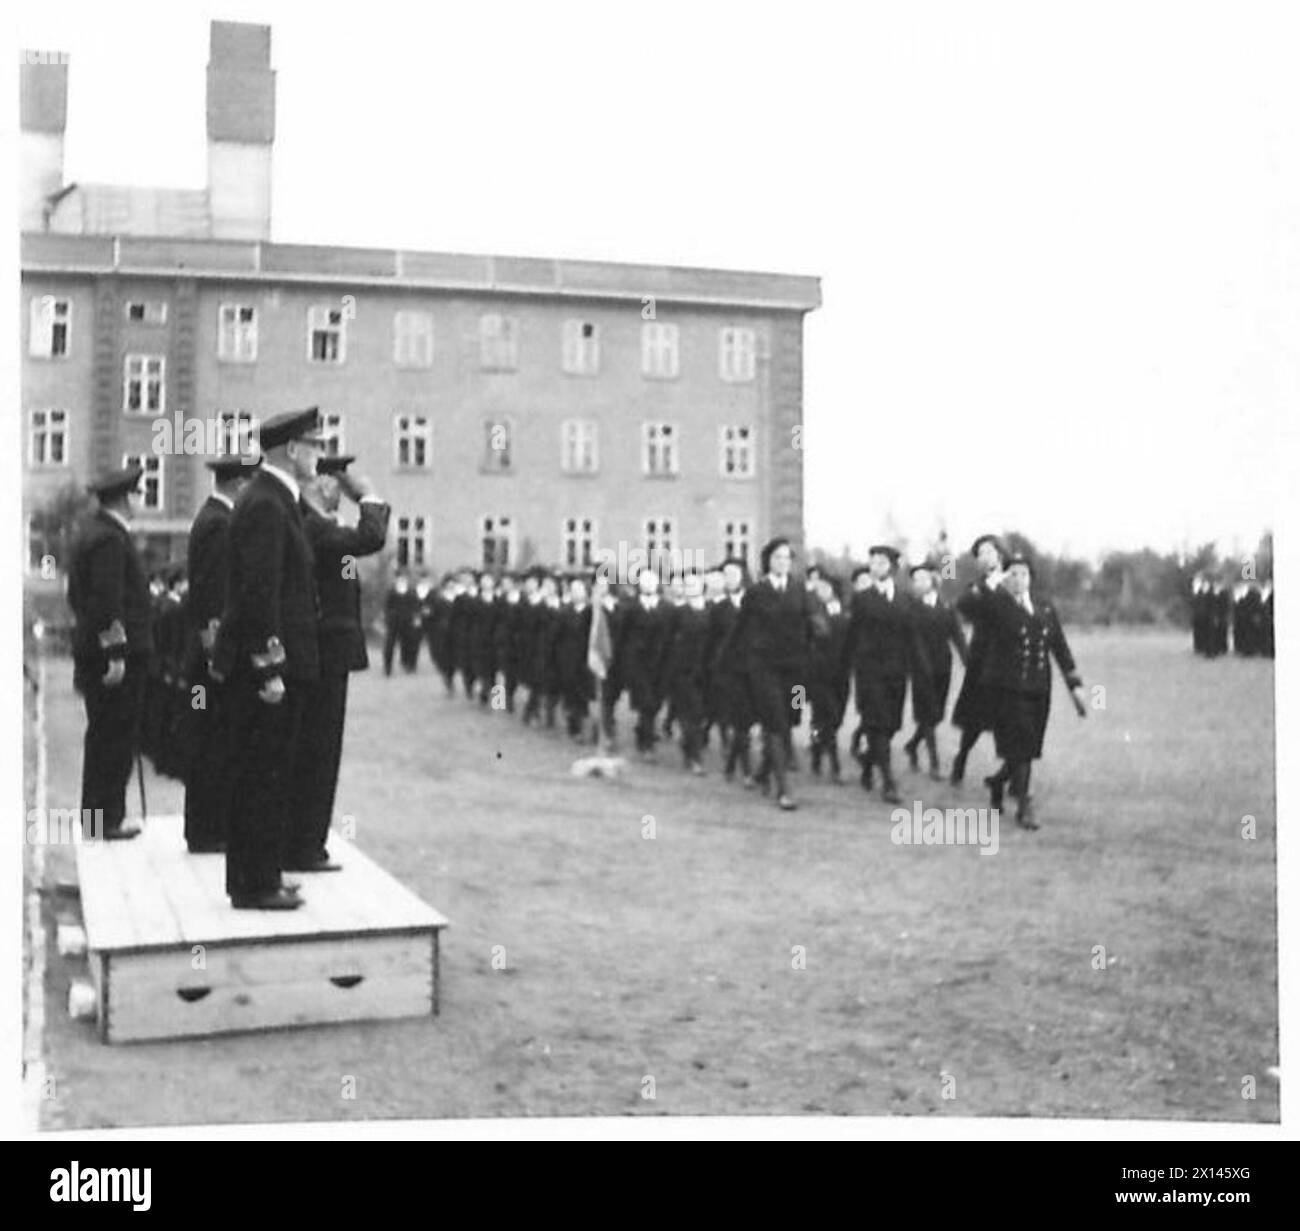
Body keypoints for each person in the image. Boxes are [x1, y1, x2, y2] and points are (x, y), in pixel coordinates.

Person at [211, 407, 326, 910]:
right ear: (293, 450)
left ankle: (262, 873)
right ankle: (255, 883)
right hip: (269, 670)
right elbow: (260, 596)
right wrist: (269, 666)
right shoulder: (267, 504)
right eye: (314, 444)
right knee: (262, 773)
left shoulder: (273, 499)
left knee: (269, 771)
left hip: (278, 665)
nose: (320, 453)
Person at [288, 454, 390, 872]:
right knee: (318, 751)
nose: (338, 490)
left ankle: (307, 841)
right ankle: (304, 845)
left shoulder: (318, 524)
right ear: (318, 487)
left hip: (327, 646)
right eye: (332, 482)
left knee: (318, 750)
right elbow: (370, 537)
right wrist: (366, 494)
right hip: (324, 648)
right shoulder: (314, 526)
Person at [959, 554, 1087, 830]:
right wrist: (989, 582)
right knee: (1020, 744)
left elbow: (1060, 647)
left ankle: (997, 782)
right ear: (1005, 577)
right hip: (1006, 687)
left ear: (1031, 578)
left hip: (1038, 686)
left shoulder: (1044, 607)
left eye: (1023, 574)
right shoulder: (995, 604)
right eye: (1013, 574)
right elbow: (965, 606)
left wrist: (1075, 686)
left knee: (1027, 747)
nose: (1018, 580)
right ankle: (1025, 805)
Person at [67, 463, 155, 841]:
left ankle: (97, 820)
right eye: (137, 493)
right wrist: (116, 652)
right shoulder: (110, 540)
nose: (141, 499)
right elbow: (108, 602)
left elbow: (78, 598)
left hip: (99, 653)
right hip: (116, 659)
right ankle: (108, 819)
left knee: (103, 735)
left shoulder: (94, 533)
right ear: (124, 497)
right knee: (114, 737)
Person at [182, 456, 256, 853]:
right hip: (211, 655)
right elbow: (212, 595)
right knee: (213, 740)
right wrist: (217, 652)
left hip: (208, 652)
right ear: (240, 484)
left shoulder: (211, 517)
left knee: (210, 738)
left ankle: (206, 827)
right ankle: (208, 830)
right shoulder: (219, 524)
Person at [731, 537, 814, 810]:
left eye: (787, 557)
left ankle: (762, 773)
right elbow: (741, 631)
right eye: (777, 557)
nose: (782, 562)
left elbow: (810, 622)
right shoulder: (756, 593)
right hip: (764, 670)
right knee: (775, 723)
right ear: (768, 561)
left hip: (796, 672)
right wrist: (736, 665)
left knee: (791, 719)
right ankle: (784, 789)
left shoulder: (800, 589)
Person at [842, 544, 917, 805]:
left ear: (893, 568)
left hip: (896, 674)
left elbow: (912, 638)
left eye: (882, 563)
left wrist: (920, 670)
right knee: (877, 724)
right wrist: (844, 668)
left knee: (890, 726)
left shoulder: (906, 600)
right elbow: (851, 636)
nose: (876, 567)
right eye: (872, 562)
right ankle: (888, 782)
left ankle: (867, 762)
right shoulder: (862, 599)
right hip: (869, 673)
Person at [904, 561, 968, 780]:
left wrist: (969, 663)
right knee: (927, 712)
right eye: (915, 579)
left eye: (922, 578)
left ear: (933, 580)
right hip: (920, 668)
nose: (917, 583)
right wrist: (922, 666)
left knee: (936, 715)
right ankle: (934, 762)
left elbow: (957, 637)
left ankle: (912, 745)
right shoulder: (911, 608)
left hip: (942, 667)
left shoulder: (947, 607)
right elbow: (915, 639)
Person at [950, 534, 1007, 784]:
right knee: (975, 718)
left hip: (1009, 660)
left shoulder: (1014, 581)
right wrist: (983, 589)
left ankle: (1013, 777)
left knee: (1010, 719)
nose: (984, 558)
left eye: (988, 552)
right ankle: (961, 757)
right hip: (983, 660)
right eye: (979, 554)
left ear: (1000, 554)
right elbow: (962, 605)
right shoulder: (977, 587)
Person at [622, 568, 674, 757]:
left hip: (660, 663)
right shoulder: (631, 607)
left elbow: (671, 636)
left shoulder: (667, 608)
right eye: (645, 581)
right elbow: (623, 636)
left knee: (655, 703)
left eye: (652, 581)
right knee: (645, 701)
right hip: (638, 662)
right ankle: (646, 742)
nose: (649, 585)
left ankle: (644, 731)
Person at [664, 572, 711, 773]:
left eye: (694, 584)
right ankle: (694, 756)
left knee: (702, 715)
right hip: (683, 670)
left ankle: (690, 746)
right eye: (687, 585)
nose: (690, 587)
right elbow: (668, 640)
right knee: (689, 714)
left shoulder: (712, 611)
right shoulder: (679, 612)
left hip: (707, 670)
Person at [808, 573, 850, 782]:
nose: (820, 591)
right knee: (826, 719)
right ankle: (834, 766)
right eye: (818, 587)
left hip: (841, 675)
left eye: (825, 587)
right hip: (818, 675)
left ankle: (816, 749)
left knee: (833, 720)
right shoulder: (813, 613)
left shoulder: (846, 611)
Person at [382, 569, 422, 675]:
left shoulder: (412, 592)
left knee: (409, 644)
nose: (402, 580)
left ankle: (409, 664)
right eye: (400, 578)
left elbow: (416, 606)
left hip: (408, 622)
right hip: (394, 622)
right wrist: (388, 618)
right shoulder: (391, 591)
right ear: (396, 579)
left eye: (404, 578)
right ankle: (387, 667)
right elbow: (387, 606)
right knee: (389, 645)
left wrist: (416, 618)